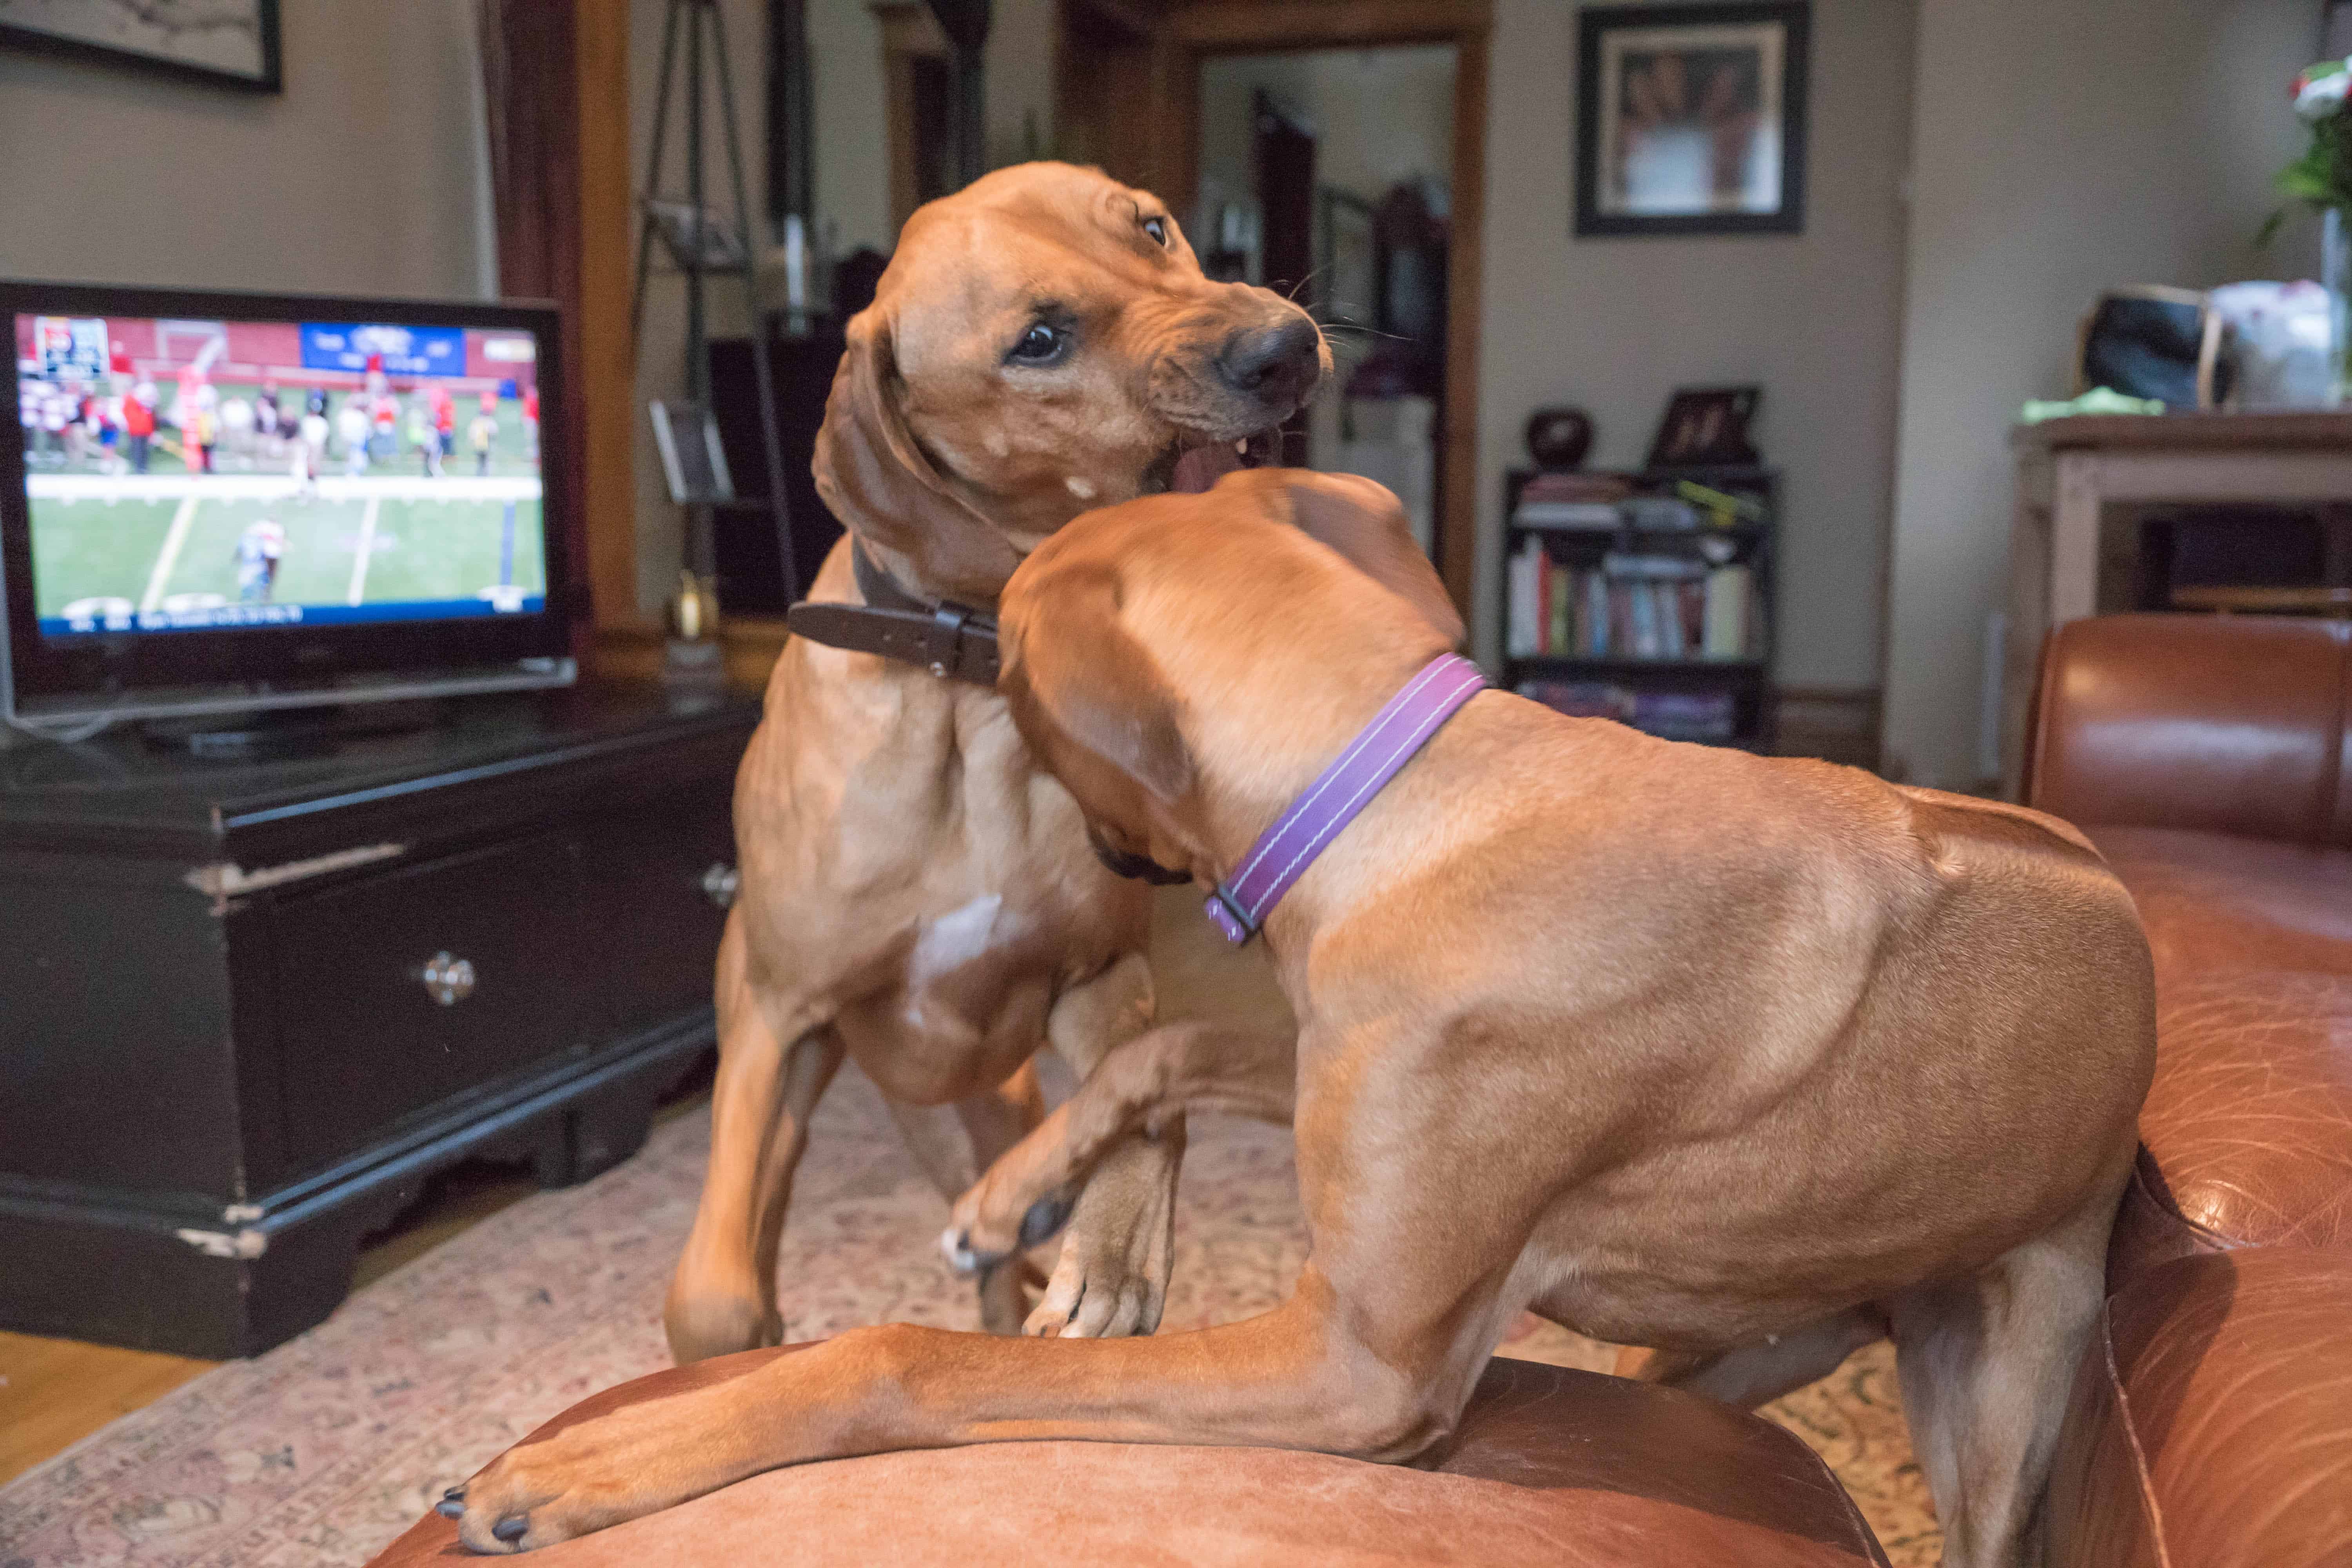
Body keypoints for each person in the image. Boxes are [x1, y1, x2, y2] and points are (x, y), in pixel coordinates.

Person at [234, 517, 285, 603]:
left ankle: (261, 596)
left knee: (258, 582)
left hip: (255, 565)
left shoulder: (258, 540)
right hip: (252, 565)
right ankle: (251, 598)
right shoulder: (253, 539)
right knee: (250, 584)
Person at [123, 381, 157, 474]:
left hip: (145, 429)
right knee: (138, 449)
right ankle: (139, 467)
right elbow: (129, 415)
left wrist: (151, 432)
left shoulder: (142, 400)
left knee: (144, 450)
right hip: (136, 429)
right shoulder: (131, 400)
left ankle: (144, 466)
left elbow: (149, 417)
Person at [337, 393, 371, 477]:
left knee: (358, 456)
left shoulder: (360, 416)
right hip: (350, 438)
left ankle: (356, 471)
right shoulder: (345, 414)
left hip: (358, 440)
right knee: (351, 455)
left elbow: (365, 430)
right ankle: (351, 471)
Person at [468, 403, 499, 476]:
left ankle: (481, 474)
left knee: (482, 461)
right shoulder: (489, 421)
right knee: (484, 461)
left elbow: (472, 433)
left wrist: (472, 440)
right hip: (485, 444)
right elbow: (494, 432)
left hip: (481, 444)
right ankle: (484, 474)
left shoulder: (478, 421)